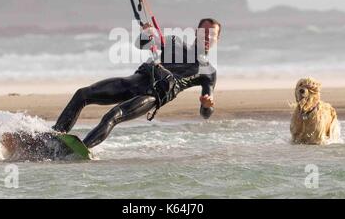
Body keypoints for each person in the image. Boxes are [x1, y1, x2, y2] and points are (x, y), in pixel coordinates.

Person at [52, 18, 221, 149]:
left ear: (217, 40)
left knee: (113, 115)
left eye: (212, 34)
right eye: (204, 32)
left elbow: (206, 113)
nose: (207, 36)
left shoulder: (208, 71)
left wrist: (207, 105)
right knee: (83, 94)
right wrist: (147, 34)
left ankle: (81, 150)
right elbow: (140, 44)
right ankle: (54, 137)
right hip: (135, 81)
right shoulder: (173, 42)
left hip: (152, 95)